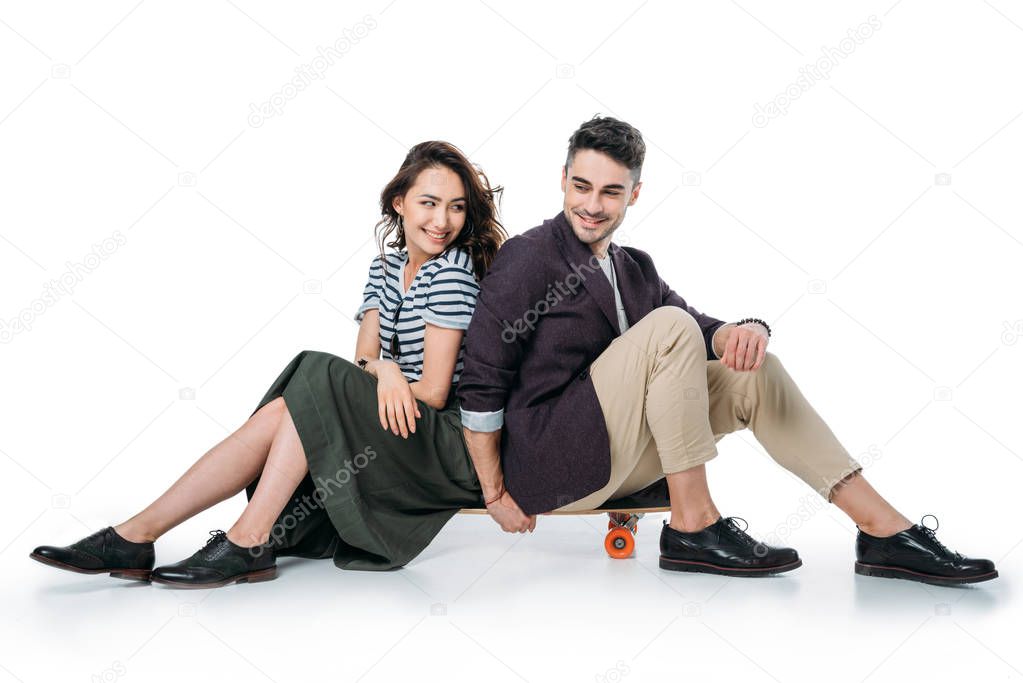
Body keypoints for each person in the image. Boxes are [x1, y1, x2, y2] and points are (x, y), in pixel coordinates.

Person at [456, 116, 997, 587]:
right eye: (582, 186)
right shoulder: (528, 257)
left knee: (756, 373)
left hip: (619, 456)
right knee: (668, 327)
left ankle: (884, 533)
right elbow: (480, 378)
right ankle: (693, 525)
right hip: (551, 463)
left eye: (611, 192)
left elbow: (697, 326)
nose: (592, 205)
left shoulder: (633, 266)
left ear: (634, 195)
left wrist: (745, 328)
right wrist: (495, 493)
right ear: (563, 182)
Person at [30, 140, 505, 587]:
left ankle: (223, 538)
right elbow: (364, 359)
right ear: (399, 203)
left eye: (456, 206)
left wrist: (384, 371)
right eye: (429, 202)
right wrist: (385, 369)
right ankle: (143, 533)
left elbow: (436, 392)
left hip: (446, 442)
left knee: (314, 374)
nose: (443, 220)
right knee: (298, 403)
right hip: (399, 419)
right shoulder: (385, 268)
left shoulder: (452, 273)